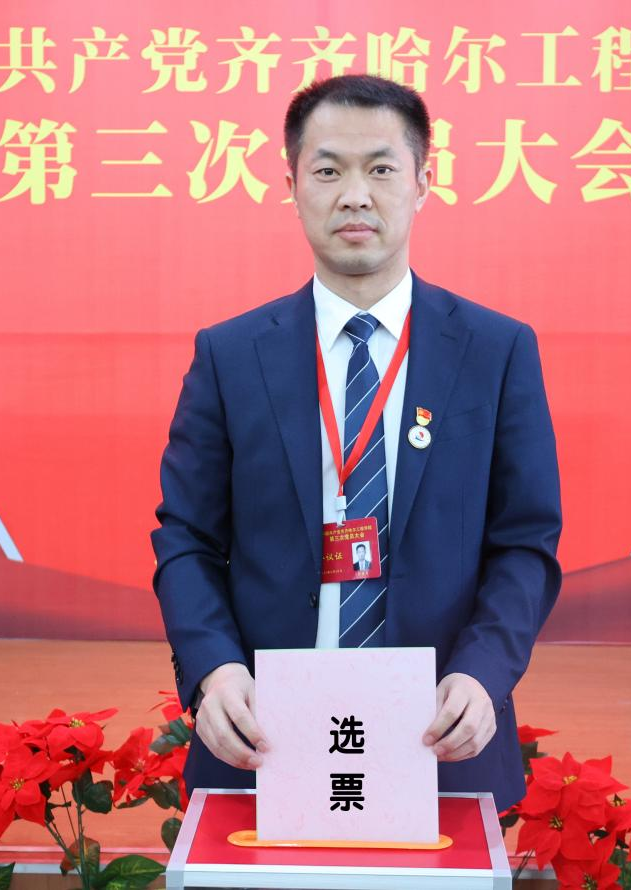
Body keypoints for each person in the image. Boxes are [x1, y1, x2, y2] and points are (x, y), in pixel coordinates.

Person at [151, 74, 562, 811]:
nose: (354, 195)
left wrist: (483, 674)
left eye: (380, 169)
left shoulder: (495, 350)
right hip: (264, 733)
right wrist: (215, 669)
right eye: (327, 171)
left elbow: (525, 543)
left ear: (422, 182)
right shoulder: (231, 354)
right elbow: (186, 537)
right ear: (290, 185)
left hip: (437, 732)